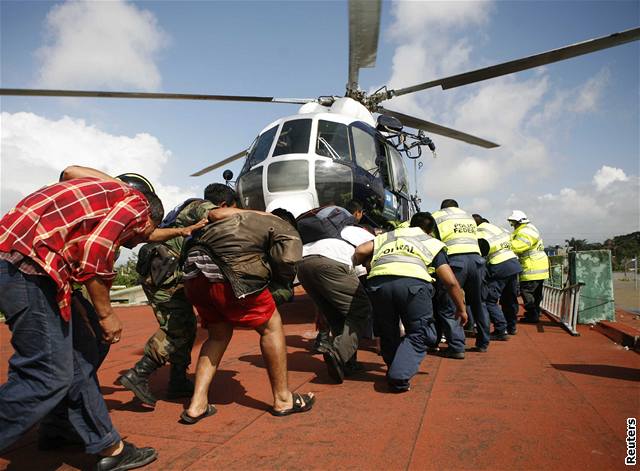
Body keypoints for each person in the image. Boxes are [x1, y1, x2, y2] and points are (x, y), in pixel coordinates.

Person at [0, 175, 162, 470]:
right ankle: (97, 441)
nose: (130, 245)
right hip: (25, 265)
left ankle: (72, 432)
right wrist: (106, 314)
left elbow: (70, 170)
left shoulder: (99, 196)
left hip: (34, 266)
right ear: (149, 218)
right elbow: (95, 253)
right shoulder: (137, 205)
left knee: (85, 347)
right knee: (46, 374)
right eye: (137, 239)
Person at [179, 208, 315, 422]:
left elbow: (213, 213)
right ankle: (283, 399)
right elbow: (288, 259)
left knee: (218, 335)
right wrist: (281, 282)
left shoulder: (241, 215)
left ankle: (197, 404)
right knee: (272, 326)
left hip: (193, 275)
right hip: (229, 274)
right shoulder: (284, 226)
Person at [117, 183, 235, 406]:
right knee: (175, 328)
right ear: (222, 205)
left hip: (163, 271)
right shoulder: (201, 208)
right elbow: (220, 217)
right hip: (164, 274)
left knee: (187, 326)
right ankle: (139, 374)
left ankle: (178, 380)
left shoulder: (186, 208)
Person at [354, 212, 467, 392]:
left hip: (378, 285)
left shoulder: (388, 236)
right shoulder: (430, 242)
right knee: (420, 333)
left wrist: (361, 263)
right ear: (429, 230)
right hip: (413, 287)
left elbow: (360, 250)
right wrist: (461, 308)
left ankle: (394, 367)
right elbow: (451, 281)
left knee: (387, 331)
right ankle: (399, 376)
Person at [296, 206, 374, 383]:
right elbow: (372, 255)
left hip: (303, 264)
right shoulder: (357, 231)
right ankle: (338, 355)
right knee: (361, 309)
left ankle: (347, 363)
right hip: (330, 263)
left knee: (337, 315)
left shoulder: (324, 234)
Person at [431, 199, 490, 357]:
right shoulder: (468, 216)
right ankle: (483, 342)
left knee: (448, 305)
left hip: (455, 262)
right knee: (479, 303)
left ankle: (457, 346)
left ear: (442, 208)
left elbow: (431, 239)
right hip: (477, 261)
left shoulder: (437, 216)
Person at [473, 214, 523, 337]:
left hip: (499, 265)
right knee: (509, 299)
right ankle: (511, 327)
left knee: (490, 300)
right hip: (513, 263)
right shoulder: (497, 228)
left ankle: (501, 329)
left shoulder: (479, 232)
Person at [507, 210, 550, 324]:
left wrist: (504, 245)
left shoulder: (525, 232)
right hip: (538, 265)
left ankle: (532, 314)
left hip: (532, 266)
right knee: (536, 292)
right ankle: (535, 311)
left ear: (519, 222)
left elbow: (517, 247)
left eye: (513, 223)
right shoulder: (529, 229)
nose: (512, 225)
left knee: (526, 291)